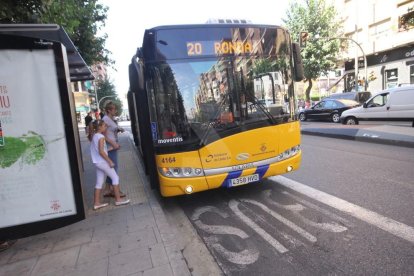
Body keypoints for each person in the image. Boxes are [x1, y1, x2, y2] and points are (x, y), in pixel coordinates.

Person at [88, 119, 130, 210]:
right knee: (115, 178)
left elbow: (100, 150)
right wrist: (110, 161)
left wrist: (112, 148)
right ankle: (118, 200)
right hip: (103, 162)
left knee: (99, 182)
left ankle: (96, 203)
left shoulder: (95, 136)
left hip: (97, 163)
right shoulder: (101, 137)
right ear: (100, 127)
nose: (105, 127)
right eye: (104, 126)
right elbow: (101, 152)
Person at [102, 101, 126, 198]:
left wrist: (118, 129)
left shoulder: (110, 119)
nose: (115, 110)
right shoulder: (105, 119)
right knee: (114, 168)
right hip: (110, 147)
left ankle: (107, 190)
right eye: (114, 109)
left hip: (112, 145)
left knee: (111, 168)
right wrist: (114, 144)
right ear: (109, 110)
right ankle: (115, 190)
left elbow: (111, 130)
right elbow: (103, 135)